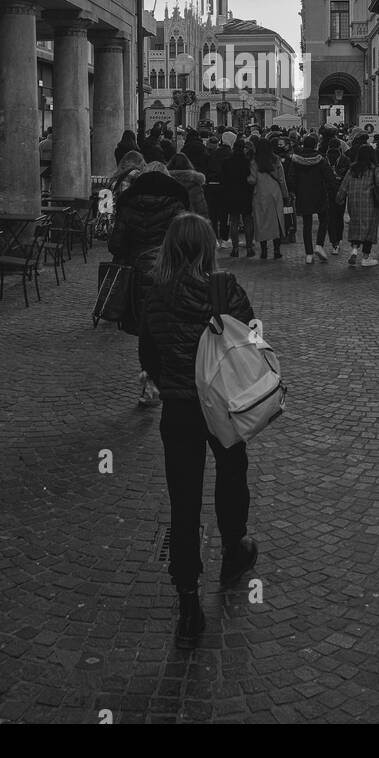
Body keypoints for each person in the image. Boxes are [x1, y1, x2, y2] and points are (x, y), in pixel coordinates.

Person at [139, 214, 259, 644]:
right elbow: (249, 341)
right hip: (222, 403)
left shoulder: (155, 293)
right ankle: (233, 548)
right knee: (231, 472)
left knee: (183, 500)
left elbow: (148, 353)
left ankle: (187, 597)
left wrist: (169, 375)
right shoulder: (223, 287)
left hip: (179, 408)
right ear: (207, 247)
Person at [107, 160, 189, 339]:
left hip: (134, 274)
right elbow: (185, 241)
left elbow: (116, 245)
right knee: (165, 326)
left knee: (140, 326)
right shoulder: (177, 202)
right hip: (168, 270)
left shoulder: (128, 201)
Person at [335, 144, 379, 267]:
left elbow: (344, 185)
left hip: (354, 202)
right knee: (369, 228)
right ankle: (366, 257)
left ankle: (354, 250)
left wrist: (339, 199)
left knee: (356, 225)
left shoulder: (352, 169)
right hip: (370, 203)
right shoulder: (374, 168)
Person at [289, 134, 332, 264]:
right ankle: (319, 245)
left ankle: (308, 254)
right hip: (319, 193)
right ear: (315, 145)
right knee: (323, 219)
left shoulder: (296, 160)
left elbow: (291, 178)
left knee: (307, 224)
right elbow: (329, 177)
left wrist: (294, 191)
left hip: (303, 195)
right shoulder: (321, 159)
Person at [249, 138, 289, 259]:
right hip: (275, 193)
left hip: (260, 194)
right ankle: (277, 250)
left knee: (262, 222)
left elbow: (253, 179)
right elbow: (281, 179)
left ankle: (264, 251)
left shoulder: (254, 161)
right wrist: (285, 195)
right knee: (276, 221)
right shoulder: (276, 159)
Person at [222, 137, 255, 257]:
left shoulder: (227, 162)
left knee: (234, 221)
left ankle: (235, 248)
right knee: (247, 221)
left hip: (231, 194)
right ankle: (249, 247)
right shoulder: (248, 162)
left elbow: (223, 180)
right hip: (246, 194)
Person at [167, 153, 210, 218]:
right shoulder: (194, 184)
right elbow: (201, 209)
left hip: (169, 222)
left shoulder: (165, 182)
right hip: (190, 222)